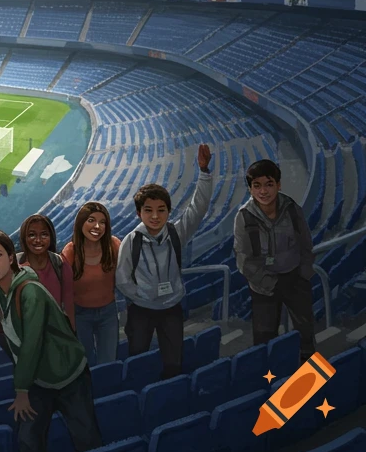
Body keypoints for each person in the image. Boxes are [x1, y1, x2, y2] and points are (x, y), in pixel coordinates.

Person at [0, 230, 101, 452]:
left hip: (68, 375)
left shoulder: (30, 292)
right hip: (40, 378)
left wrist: (22, 389)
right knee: (28, 440)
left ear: (11, 257)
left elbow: (32, 343)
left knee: (86, 439)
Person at [116, 143, 213, 380]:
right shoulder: (131, 240)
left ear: (169, 211)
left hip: (171, 308)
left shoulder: (177, 233)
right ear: (139, 213)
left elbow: (198, 208)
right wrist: (143, 296)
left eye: (161, 210)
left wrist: (204, 172)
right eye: (148, 210)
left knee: (173, 358)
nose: (155, 216)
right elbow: (122, 278)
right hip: (141, 310)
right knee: (137, 356)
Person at [233, 159, 316, 362]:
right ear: (251, 189)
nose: (263, 191)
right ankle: (267, 387)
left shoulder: (292, 209)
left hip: (295, 279)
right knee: (264, 340)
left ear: (278, 185)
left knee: (306, 336)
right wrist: (271, 283)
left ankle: (308, 388)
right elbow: (244, 260)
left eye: (269, 184)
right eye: (257, 186)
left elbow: (306, 243)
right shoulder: (244, 217)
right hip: (264, 288)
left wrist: (304, 274)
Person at [62, 202, 121, 366]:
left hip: (108, 312)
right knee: (85, 362)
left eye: (102, 222)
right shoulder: (70, 251)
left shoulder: (114, 245)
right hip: (80, 315)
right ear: (81, 222)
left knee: (108, 362)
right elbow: (63, 289)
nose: (97, 226)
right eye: (91, 220)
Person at [17, 215, 75, 330]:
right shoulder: (15, 268)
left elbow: (69, 304)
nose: (38, 240)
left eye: (44, 234)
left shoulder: (60, 263)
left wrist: (73, 334)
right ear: (24, 237)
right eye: (32, 235)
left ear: (51, 237)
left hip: (57, 332)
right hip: (29, 334)